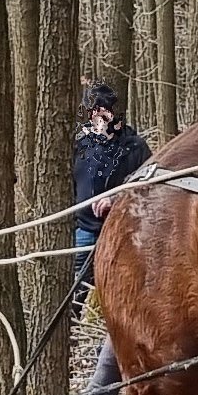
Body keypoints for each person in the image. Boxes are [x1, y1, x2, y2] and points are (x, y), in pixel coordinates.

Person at [72, 81, 152, 309]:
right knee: (77, 293)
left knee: (122, 291)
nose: (99, 117)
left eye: (104, 111)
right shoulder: (80, 145)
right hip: (84, 230)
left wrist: (115, 201)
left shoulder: (134, 147)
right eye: (94, 112)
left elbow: (147, 187)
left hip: (122, 229)